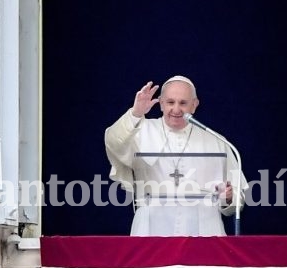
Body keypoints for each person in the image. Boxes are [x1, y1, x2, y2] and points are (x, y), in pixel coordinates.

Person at [104, 75, 247, 236]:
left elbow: (237, 195)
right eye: (170, 102)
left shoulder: (216, 141)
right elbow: (113, 143)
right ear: (161, 103)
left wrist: (227, 197)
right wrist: (135, 114)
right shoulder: (139, 132)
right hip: (151, 229)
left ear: (194, 105)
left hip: (205, 230)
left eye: (183, 103)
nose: (176, 109)